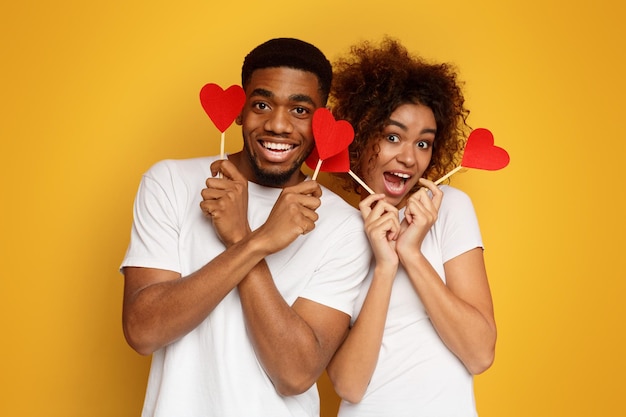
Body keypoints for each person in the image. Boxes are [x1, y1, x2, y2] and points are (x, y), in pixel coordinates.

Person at [120, 37, 371, 417]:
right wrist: (256, 244)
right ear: (240, 109)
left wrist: (241, 238)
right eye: (262, 104)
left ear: (321, 122)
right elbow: (143, 332)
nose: (278, 124)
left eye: (300, 110)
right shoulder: (170, 182)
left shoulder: (344, 226)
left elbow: (296, 373)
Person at [325, 38, 497, 416]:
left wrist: (411, 253)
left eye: (424, 143)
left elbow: (480, 353)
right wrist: (385, 267)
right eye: (392, 137)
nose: (408, 157)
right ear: (360, 136)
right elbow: (349, 386)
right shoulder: (333, 228)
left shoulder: (448, 209)